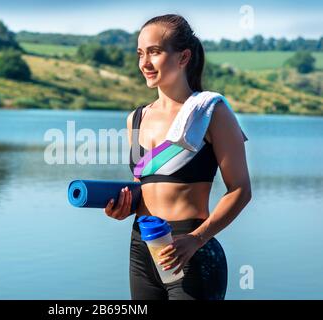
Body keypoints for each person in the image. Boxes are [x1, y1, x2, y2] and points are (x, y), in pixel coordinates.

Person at [103, 14, 252, 300]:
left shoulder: (212, 113)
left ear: (183, 57)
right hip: (142, 247)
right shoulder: (135, 118)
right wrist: (122, 206)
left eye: (155, 52)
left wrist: (197, 239)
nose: (144, 63)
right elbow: (145, 187)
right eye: (140, 54)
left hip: (191, 250)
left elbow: (241, 190)